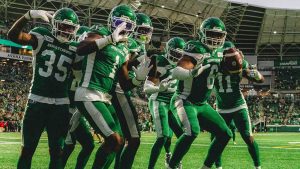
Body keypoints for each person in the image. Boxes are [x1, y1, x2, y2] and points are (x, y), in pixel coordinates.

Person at [74, 4, 152, 169]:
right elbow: (80, 49)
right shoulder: (100, 32)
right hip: (89, 92)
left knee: (119, 141)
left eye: (128, 25)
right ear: (111, 21)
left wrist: (139, 78)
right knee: (114, 140)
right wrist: (109, 39)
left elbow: (124, 84)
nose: (123, 28)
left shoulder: (124, 47)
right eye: (119, 23)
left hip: (105, 98)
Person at [8, 8, 81, 169]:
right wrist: (27, 16)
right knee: (27, 151)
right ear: (55, 24)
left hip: (61, 105)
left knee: (57, 152)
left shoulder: (76, 48)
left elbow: (78, 78)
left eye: (70, 28)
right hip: (37, 100)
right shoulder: (42, 36)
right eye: (63, 26)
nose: (67, 30)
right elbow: (13, 36)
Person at [167, 17, 233, 169]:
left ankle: (205, 167)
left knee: (225, 134)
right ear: (202, 33)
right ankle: (171, 166)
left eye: (219, 35)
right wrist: (191, 73)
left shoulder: (220, 53)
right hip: (184, 100)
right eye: (212, 34)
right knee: (192, 132)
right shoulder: (197, 49)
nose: (215, 38)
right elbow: (177, 71)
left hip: (202, 104)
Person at [111, 12, 154, 169]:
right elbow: (123, 65)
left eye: (146, 31)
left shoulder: (137, 45)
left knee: (120, 140)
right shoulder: (130, 44)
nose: (144, 34)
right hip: (118, 89)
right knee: (134, 138)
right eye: (141, 30)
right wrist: (139, 61)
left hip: (120, 89)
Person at [213, 45, 264, 169]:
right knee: (216, 140)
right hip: (221, 107)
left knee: (248, 136)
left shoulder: (241, 63)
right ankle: (218, 167)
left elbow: (260, 80)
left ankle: (258, 167)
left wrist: (256, 74)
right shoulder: (214, 64)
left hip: (238, 106)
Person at [144, 37, 186, 169]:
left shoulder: (184, 64)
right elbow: (146, 88)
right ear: (167, 50)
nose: (176, 57)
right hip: (159, 100)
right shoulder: (160, 61)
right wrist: (159, 88)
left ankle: (170, 157)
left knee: (182, 135)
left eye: (179, 54)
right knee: (163, 136)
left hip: (173, 102)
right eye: (174, 53)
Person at [61, 25, 95, 169]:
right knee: (68, 145)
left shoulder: (88, 63)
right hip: (66, 108)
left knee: (88, 145)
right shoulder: (70, 59)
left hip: (77, 108)